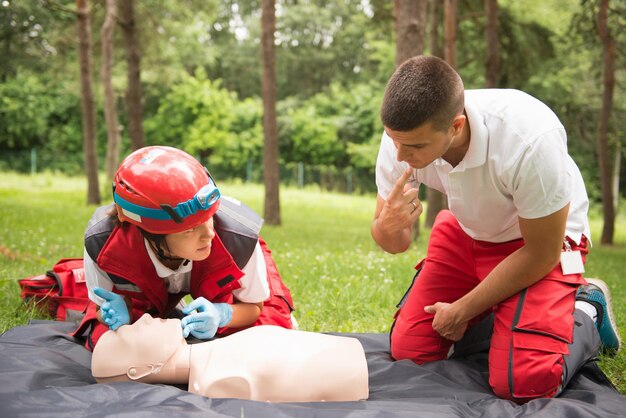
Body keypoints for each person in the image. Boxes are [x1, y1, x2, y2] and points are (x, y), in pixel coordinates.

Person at [371, 55, 621, 403]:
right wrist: (386, 226)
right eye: (393, 140)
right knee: (411, 352)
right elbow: (394, 243)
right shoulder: (403, 137)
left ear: (455, 127)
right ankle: (507, 316)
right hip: (468, 231)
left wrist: (464, 309)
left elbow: (541, 253)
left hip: (542, 241)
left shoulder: (529, 139)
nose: (399, 155)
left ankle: (587, 309)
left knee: (527, 382)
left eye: (414, 146)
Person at [73, 146, 295, 350]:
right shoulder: (102, 245)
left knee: (270, 334)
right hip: (145, 285)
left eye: (209, 219)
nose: (209, 234)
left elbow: (255, 306)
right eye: (190, 229)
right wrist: (115, 314)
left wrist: (223, 314)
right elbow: (100, 309)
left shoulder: (239, 239)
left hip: (222, 277)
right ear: (150, 233)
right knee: (108, 344)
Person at [91, 313, 369, 402]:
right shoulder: (220, 379)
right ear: (135, 372)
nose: (145, 318)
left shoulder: (218, 356)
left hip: (347, 362)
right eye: (130, 332)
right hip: (350, 376)